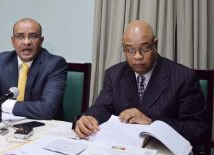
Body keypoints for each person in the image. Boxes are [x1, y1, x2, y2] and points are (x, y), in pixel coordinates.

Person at [74, 20, 208, 148]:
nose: (137, 56)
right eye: (130, 50)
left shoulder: (183, 77)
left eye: (144, 49)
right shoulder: (114, 74)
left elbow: (199, 129)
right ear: (123, 48)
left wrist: (151, 122)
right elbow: (102, 108)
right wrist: (87, 119)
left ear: (155, 44)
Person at [0, 18, 67, 120]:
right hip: (8, 126)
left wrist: (2, 105)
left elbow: (47, 109)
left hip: (45, 127)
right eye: (20, 36)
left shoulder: (55, 64)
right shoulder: (3, 60)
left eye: (33, 36)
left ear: (41, 41)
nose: (26, 42)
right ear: (13, 41)